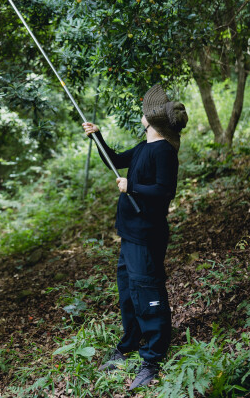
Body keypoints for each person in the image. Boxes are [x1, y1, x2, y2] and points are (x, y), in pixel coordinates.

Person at [82, 83, 188, 390]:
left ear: (151, 121)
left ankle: (153, 356)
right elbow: (115, 161)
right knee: (128, 292)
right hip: (130, 234)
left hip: (147, 235)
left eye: (143, 114)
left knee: (148, 292)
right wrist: (97, 135)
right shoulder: (143, 147)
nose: (140, 117)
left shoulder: (164, 151)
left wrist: (133, 187)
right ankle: (129, 342)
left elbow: (165, 191)